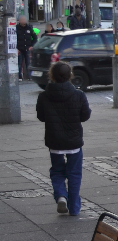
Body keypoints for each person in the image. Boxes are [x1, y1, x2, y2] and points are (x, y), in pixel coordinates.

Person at [36, 62, 91, 216]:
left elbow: (41, 117)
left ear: (51, 75)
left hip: (54, 141)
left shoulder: (44, 96)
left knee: (57, 171)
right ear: (70, 75)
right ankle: (74, 208)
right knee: (74, 173)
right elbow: (85, 116)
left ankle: (61, 196)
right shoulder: (79, 95)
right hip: (74, 141)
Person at [16, 16, 36, 81]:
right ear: (19, 21)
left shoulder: (29, 28)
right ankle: (19, 76)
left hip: (27, 48)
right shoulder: (16, 28)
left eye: (24, 20)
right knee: (19, 63)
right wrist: (16, 48)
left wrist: (32, 46)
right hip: (20, 49)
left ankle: (30, 76)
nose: (23, 21)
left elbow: (35, 38)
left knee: (28, 63)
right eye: (21, 20)